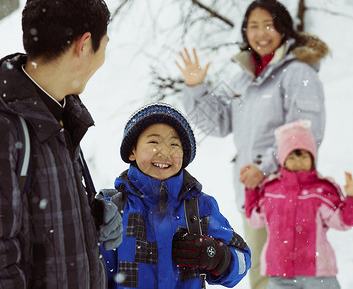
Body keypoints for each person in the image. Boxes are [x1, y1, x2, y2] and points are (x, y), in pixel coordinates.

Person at [0, 0, 122, 288]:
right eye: (104, 45)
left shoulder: (59, 114)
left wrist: (91, 218)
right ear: (84, 45)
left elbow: (39, 228)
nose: (103, 57)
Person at [175, 0, 329, 289]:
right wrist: (196, 88)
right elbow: (218, 124)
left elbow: (306, 132)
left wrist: (265, 167)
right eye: (253, 26)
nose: (260, 33)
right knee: (261, 276)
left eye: (268, 25)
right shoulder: (243, 78)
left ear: (283, 29)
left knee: (292, 277)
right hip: (253, 196)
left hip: (291, 195)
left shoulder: (299, 73)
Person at [99, 103, 251, 288]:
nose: (164, 152)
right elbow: (91, 271)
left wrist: (218, 256)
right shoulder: (112, 209)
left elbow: (244, 261)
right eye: (153, 142)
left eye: (174, 144)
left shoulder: (200, 208)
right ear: (132, 151)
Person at [244, 119, 353, 289]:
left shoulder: (321, 191)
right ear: (283, 160)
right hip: (280, 274)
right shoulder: (271, 190)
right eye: (291, 156)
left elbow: (343, 222)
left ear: (312, 158)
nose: (298, 162)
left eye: (303, 156)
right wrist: (251, 190)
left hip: (318, 275)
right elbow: (255, 220)